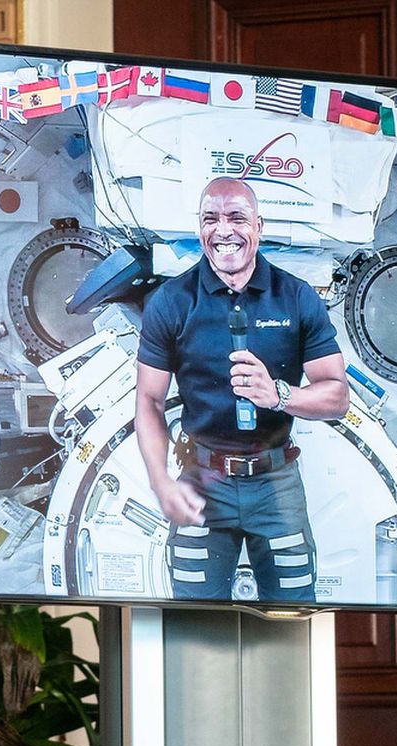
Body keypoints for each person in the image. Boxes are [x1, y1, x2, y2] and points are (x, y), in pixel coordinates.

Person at [134, 177, 350, 603]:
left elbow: (337, 397)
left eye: (237, 217)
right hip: (202, 479)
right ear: (200, 229)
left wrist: (279, 395)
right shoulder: (172, 302)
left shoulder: (295, 297)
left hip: (277, 483)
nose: (224, 230)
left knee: (292, 616)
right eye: (210, 219)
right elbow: (149, 400)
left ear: (259, 225)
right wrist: (160, 482)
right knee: (195, 618)